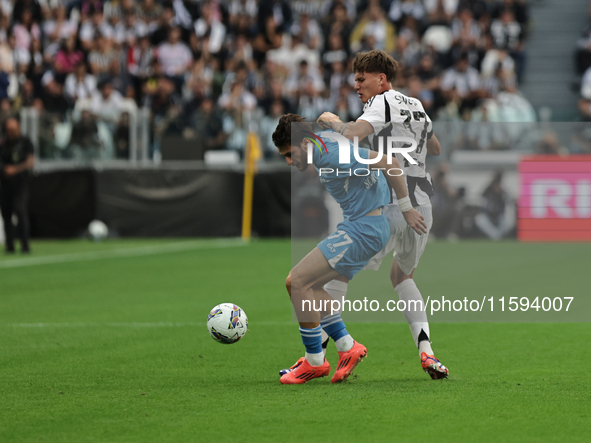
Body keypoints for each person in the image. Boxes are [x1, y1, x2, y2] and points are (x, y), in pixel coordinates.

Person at [308, 49, 449, 379]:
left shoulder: (381, 102)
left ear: (381, 79)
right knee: (402, 277)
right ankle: (427, 352)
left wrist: (332, 123)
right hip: (421, 208)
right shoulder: (415, 104)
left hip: (391, 203)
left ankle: (318, 357)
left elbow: (352, 135)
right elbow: (436, 147)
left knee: (335, 274)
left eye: (361, 79)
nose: (357, 86)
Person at [272, 113, 427, 384]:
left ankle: (314, 361)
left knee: (296, 282)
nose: (288, 160)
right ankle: (346, 346)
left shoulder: (333, 155)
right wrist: (331, 119)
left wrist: (407, 208)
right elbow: (341, 129)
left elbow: (390, 164)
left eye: (289, 153)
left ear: (305, 143)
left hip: (363, 230)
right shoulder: (327, 142)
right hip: (363, 228)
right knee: (311, 287)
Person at [0, 118, 34, 254]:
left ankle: (25, 244)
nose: (11, 133)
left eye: (13, 129)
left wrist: (15, 169)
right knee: (6, 213)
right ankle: (10, 246)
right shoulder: (4, 144)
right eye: (9, 130)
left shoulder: (26, 142)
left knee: (20, 211)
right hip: (5, 184)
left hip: (20, 183)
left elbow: (30, 162)